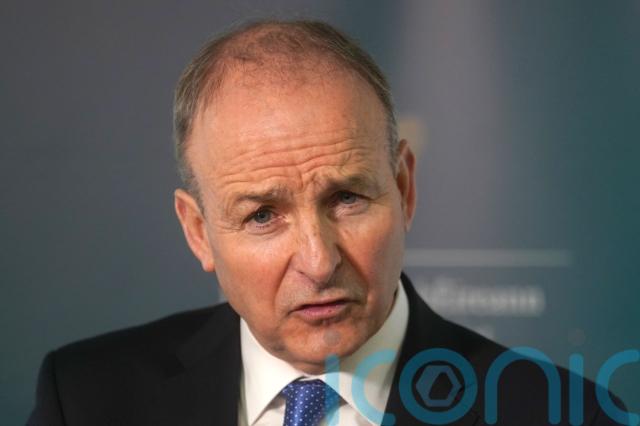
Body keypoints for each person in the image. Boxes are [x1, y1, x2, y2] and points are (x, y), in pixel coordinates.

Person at [27, 20, 629, 426]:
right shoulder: (85, 399)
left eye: (346, 198)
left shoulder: (569, 415)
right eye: (263, 215)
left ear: (403, 188)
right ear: (198, 232)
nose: (318, 262)